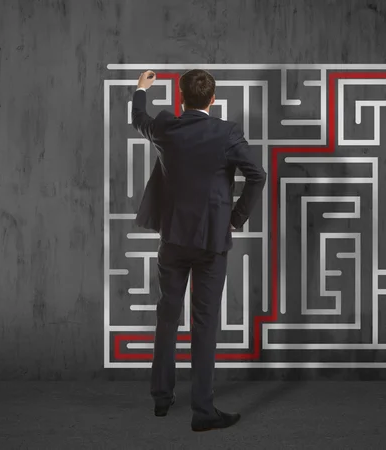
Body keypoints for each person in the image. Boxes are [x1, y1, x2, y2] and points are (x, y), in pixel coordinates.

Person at [130, 69, 267, 432]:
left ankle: (161, 397)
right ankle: (203, 411)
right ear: (212, 99)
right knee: (204, 325)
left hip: (172, 241)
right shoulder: (226, 133)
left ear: (181, 99)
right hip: (210, 243)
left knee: (166, 317)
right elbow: (258, 174)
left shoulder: (165, 128)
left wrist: (141, 90)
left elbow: (138, 119)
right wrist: (235, 219)